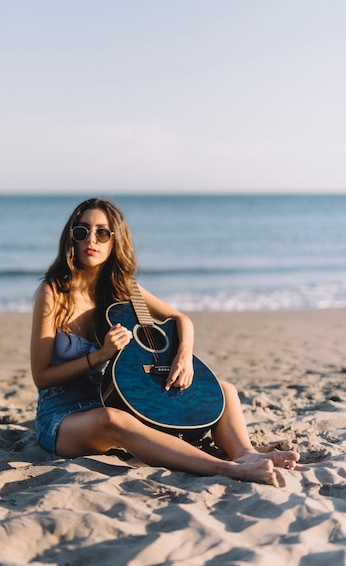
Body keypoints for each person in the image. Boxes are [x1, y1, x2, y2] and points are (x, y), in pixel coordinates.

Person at [30, 197, 299, 487]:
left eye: (102, 232)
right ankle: (228, 468)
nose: (91, 240)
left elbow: (181, 319)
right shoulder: (53, 291)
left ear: (115, 240)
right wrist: (99, 356)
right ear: (71, 237)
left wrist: (184, 357)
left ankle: (244, 454)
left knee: (224, 390)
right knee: (111, 420)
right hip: (63, 415)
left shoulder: (126, 288)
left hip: (118, 397)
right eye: (81, 231)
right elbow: (41, 377)